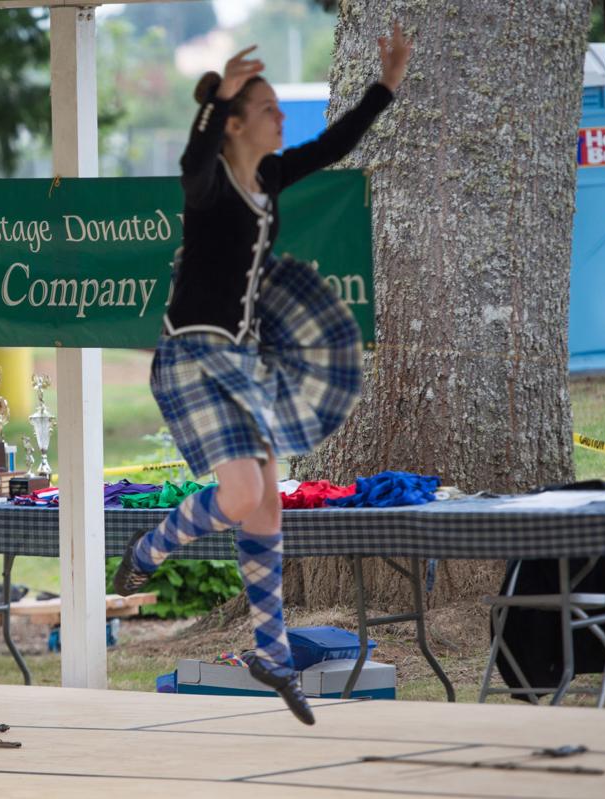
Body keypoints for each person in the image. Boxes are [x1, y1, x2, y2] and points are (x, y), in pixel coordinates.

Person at [114, 24, 412, 725]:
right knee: (244, 491)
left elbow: (333, 146)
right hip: (191, 353)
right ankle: (151, 546)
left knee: (267, 502)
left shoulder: (271, 175)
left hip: (241, 360)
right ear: (239, 124)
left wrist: (387, 86)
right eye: (271, 109)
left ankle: (271, 654)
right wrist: (215, 101)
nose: (283, 118)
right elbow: (191, 159)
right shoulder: (211, 182)